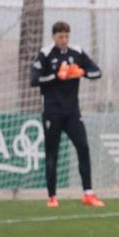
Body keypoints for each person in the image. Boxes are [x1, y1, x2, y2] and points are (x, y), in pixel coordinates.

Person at [30, 21, 104, 208]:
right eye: (60, 36)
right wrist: (57, 75)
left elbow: (97, 72)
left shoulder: (76, 52)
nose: (64, 40)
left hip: (72, 112)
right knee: (52, 153)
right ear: (53, 36)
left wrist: (81, 72)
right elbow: (34, 80)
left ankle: (88, 193)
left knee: (83, 147)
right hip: (52, 112)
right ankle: (52, 197)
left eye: (66, 36)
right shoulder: (46, 54)